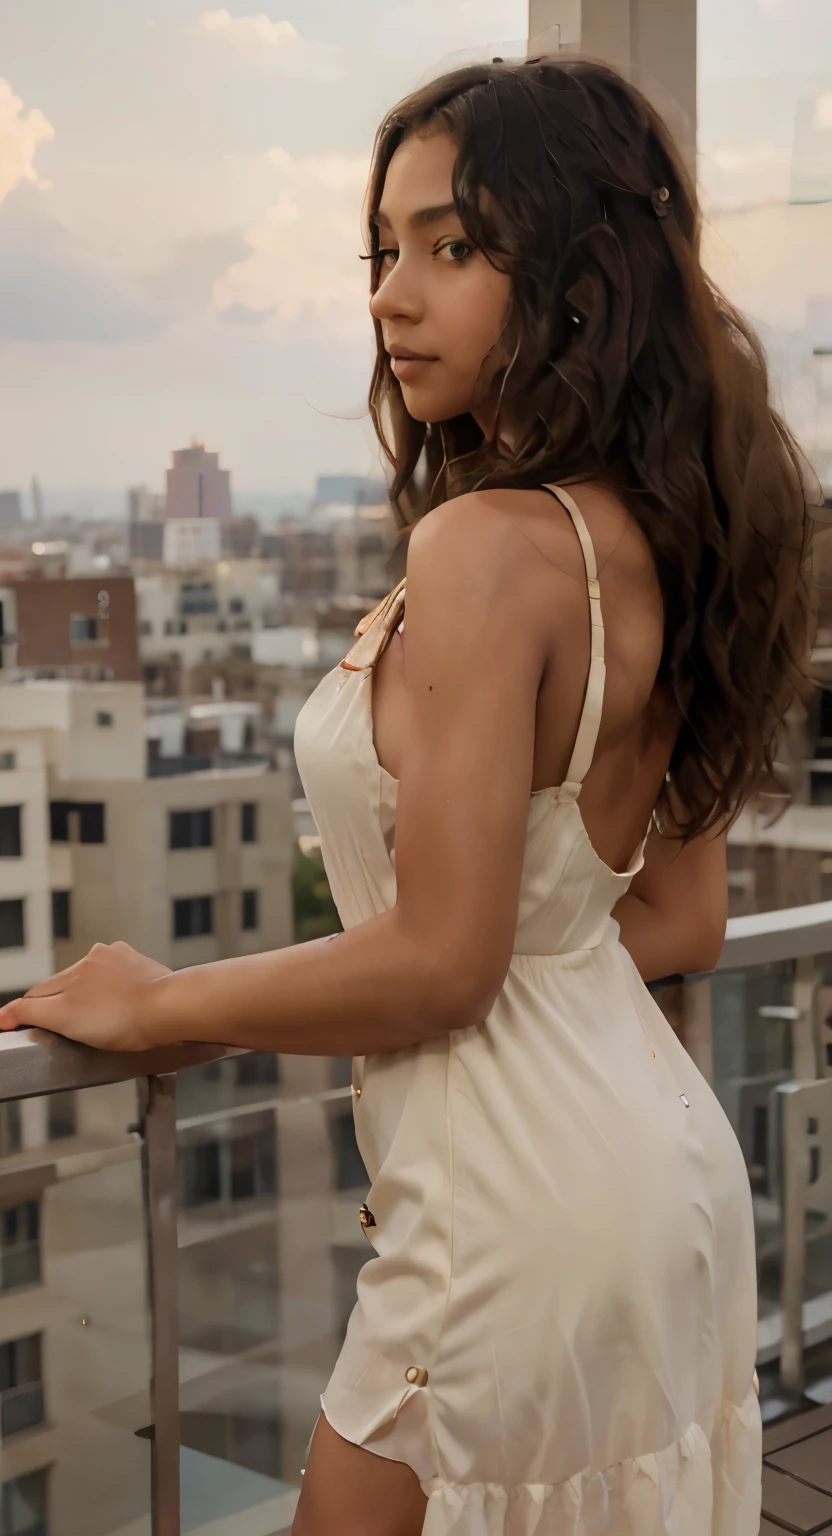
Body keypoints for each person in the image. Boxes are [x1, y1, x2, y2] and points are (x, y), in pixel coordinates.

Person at [0, 55, 813, 1536]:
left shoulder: (488, 548)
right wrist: (509, 960)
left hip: (503, 1215)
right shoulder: (667, 534)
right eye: (384, 250)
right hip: (663, 1182)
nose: (390, 296)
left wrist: (161, 1003)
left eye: (453, 246)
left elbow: (445, 961)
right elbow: (677, 919)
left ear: (583, 278)